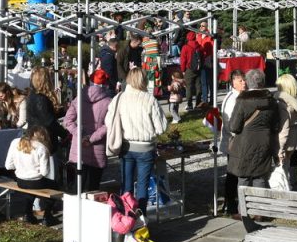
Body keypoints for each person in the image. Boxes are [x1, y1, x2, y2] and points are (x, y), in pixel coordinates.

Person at [111, 68, 169, 213]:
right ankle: (141, 219)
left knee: (126, 186)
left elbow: (108, 121)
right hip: (145, 148)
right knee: (142, 186)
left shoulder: (119, 98)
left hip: (126, 146)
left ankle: (125, 217)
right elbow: (161, 127)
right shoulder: (149, 99)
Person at [228, 68, 281, 197]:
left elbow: (234, 126)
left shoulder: (242, 101)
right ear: (262, 82)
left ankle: (244, 211)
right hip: (265, 142)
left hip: (244, 143)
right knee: (260, 177)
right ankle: (259, 212)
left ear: (248, 82)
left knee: (244, 177)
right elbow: (276, 125)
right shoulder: (272, 101)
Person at [63, 68, 113, 194]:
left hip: (78, 148)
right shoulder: (109, 102)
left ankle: (73, 213)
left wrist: (78, 134)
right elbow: (108, 125)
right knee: (93, 190)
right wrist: (91, 139)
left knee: (75, 189)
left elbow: (67, 121)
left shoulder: (79, 98)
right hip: (97, 147)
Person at [4, 125, 58, 226]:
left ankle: (28, 214)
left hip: (20, 181)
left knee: (31, 190)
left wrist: (22, 167)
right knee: (55, 187)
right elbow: (45, 173)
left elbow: (8, 166)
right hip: (36, 182)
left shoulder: (15, 142)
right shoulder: (42, 148)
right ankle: (47, 216)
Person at [220, 69, 247, 215]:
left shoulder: (241, 96)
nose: (244, 83)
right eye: (240, 81)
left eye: (244, 80)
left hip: (238, 141)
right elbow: (230, 123)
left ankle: (234, 202)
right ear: (233, 82)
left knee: (235, 174)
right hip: (234, 142)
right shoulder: (232, 99)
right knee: (232, 175)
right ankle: (231, 205)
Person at [275, 74, 297, 191]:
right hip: (294, 140)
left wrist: (280, 149)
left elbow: (284, 129)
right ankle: (291, 184)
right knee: (288, 168)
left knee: (281, 173)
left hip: (284, 142)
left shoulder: (283, 104)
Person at [25, 67, 67, 154]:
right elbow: (48, 120)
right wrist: (65, 134)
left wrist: (63, 111)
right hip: (42, 139)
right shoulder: (40, 98)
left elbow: (45, 114)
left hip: (36, 136)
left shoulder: (34, 95)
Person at [180, 32, 202, 111]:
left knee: (188, 88)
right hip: (198, 69)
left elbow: (183, 60)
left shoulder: (185, 47)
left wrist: (183, 70)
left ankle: (189, 105)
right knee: (198, 87)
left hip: (189, 69)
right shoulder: (199, 46)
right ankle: (198, 104)